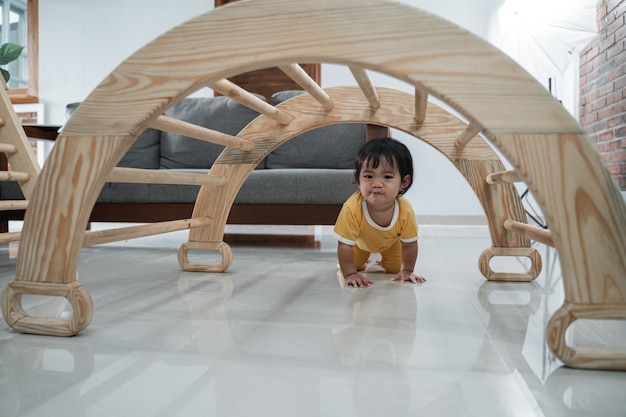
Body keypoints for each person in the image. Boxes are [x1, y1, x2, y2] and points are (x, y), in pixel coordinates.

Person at [334, 137, 427, 288]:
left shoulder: (405, 209)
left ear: (404, 182)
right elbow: (344, 244)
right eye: (368, 176)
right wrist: (350, 274)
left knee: (395, 269)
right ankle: (362, 260)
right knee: (353, 264)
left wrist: (408, 270)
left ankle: (384, 260)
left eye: (387, 177)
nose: (376, 184)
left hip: (391, 244)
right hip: (359, 244)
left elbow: (410, 244)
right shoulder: (352, 207)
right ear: (358, 180)